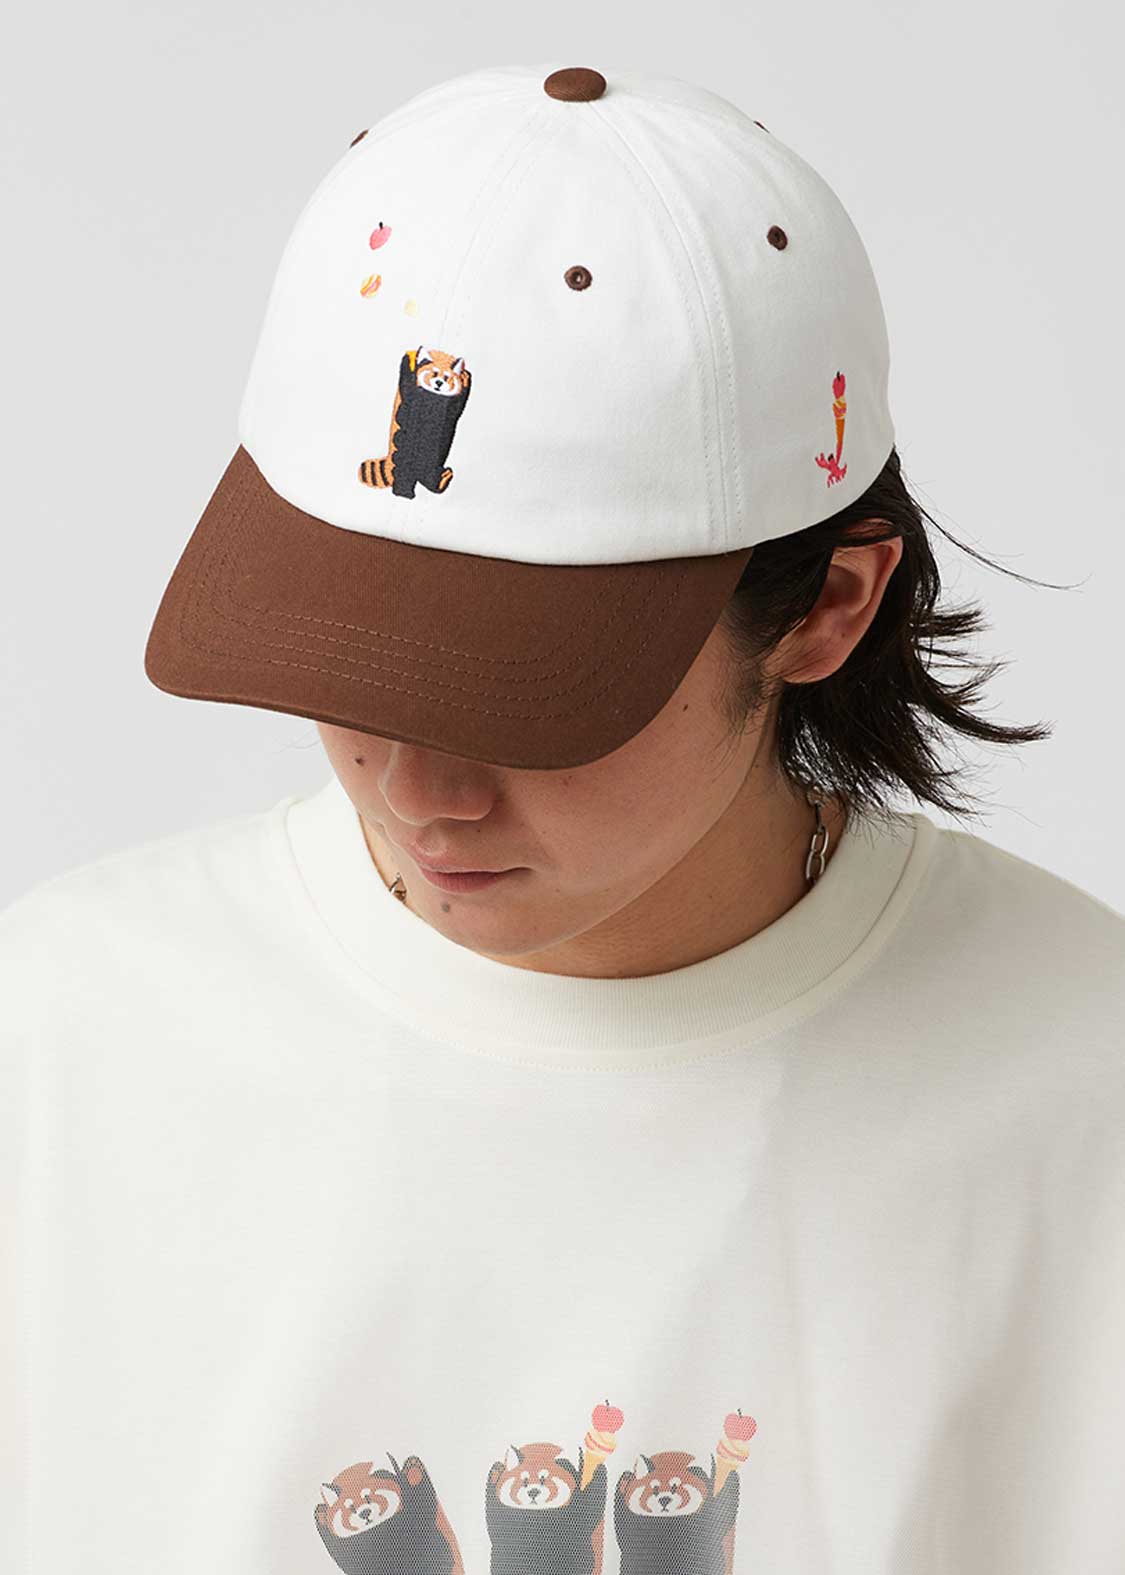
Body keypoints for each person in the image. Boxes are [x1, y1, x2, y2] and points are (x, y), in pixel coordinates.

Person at [4, 62, 1124, 1575]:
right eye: (353, 669)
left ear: (829, 606)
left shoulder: (1080, 1088)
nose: (419, 793)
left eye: (530, 701)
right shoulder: (60, 1042)